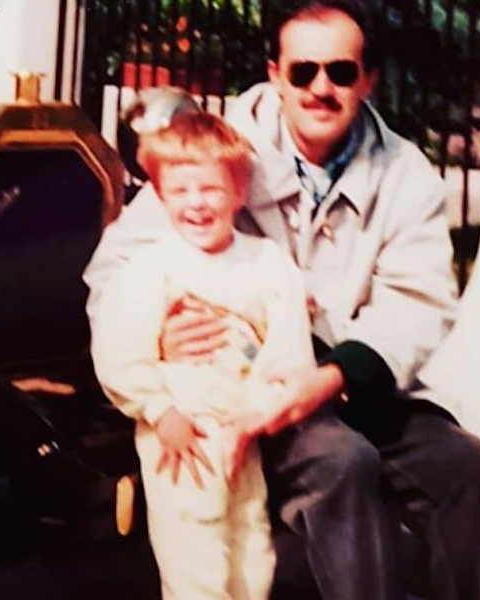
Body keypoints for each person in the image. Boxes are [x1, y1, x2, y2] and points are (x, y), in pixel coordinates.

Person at [84, 1, 480, 600]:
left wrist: (333, 376)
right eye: (302, 71)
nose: (320, 88)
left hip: (346, 376)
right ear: (275, 75)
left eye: (340, 72)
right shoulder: (219, 153)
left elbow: (418, 305)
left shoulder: (404, 173)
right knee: (340, 462)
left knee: (472, 471)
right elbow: (117, 270)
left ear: (368, 81)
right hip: (236, 386)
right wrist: (160, 335)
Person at [90, 111, 316, 600]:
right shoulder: (151, 268)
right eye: (180, 191)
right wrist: (158, 410)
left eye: (210, 189)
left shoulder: (266, 262)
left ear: (238, 192)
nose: (196, 204)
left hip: (245, 434)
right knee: (195, 559)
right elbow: (118, 348)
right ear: (161, 195)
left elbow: (289, 343)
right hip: (180, 436)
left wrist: (262, 411)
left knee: (252, 550)